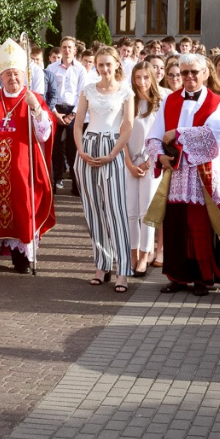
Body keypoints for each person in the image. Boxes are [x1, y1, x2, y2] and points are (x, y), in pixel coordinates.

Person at [146, 53, 220, 296]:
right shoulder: (169, 99)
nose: (188, 77)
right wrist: (159, 156)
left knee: (200, 227)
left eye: (193, 72)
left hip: (201, 174)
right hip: (176, 175)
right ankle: (178, 276)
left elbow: (213, 135)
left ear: (205, 73)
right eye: (184, 72)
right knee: (176, 226)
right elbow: (155, 135)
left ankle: (202, 278)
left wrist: (177, 132)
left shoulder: (217, 101)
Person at [0, 39, 55, 273]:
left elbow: (44, 135)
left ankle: (21, 258)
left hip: (22, 170)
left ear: (23, 75)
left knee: (21, 210)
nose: (12, 79)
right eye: (7, 74)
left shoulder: (33, 98)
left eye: (16, 74)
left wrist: (36, 110)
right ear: (1, 76)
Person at [74, 46, 135, 292]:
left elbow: (128, 125)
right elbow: (78, 124)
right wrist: (80, 150)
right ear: (95, 66)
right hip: (88, 147)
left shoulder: (125, 92)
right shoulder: (88, 90)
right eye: (100, 65)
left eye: (109, 64)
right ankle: (102, 264)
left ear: (117, 65)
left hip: (113, 147)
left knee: (116, 211)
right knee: (93, 211)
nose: (105, 69)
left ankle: (123, 271)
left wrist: (113, 153)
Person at [125, 61, 170, 277]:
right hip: (129, 163)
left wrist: (147, 163)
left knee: (147, 212)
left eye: (145, 77)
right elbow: (120, 134)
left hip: (151, 164)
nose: (141, 82)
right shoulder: (128, 101)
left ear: (152, 78)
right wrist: (129, 164)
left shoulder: (161, 102)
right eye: (137, 78)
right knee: (130, 211)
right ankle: (133, 253)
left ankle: (144, 255)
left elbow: (163, 137)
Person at [47, 36, 87, 194]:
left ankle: (76, 184)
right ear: (60, 48)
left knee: (73, 149)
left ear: (75, 50)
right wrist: (55, 113)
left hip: (73, 110)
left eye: (70, 47)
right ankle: (55, 181)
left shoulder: (80, 69)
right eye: (64, 47)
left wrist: (73, 114)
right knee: (54, 148)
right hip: (55, 109)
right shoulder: (51, 68)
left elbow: (82, 94)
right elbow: (48, 92)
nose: (67, 50)